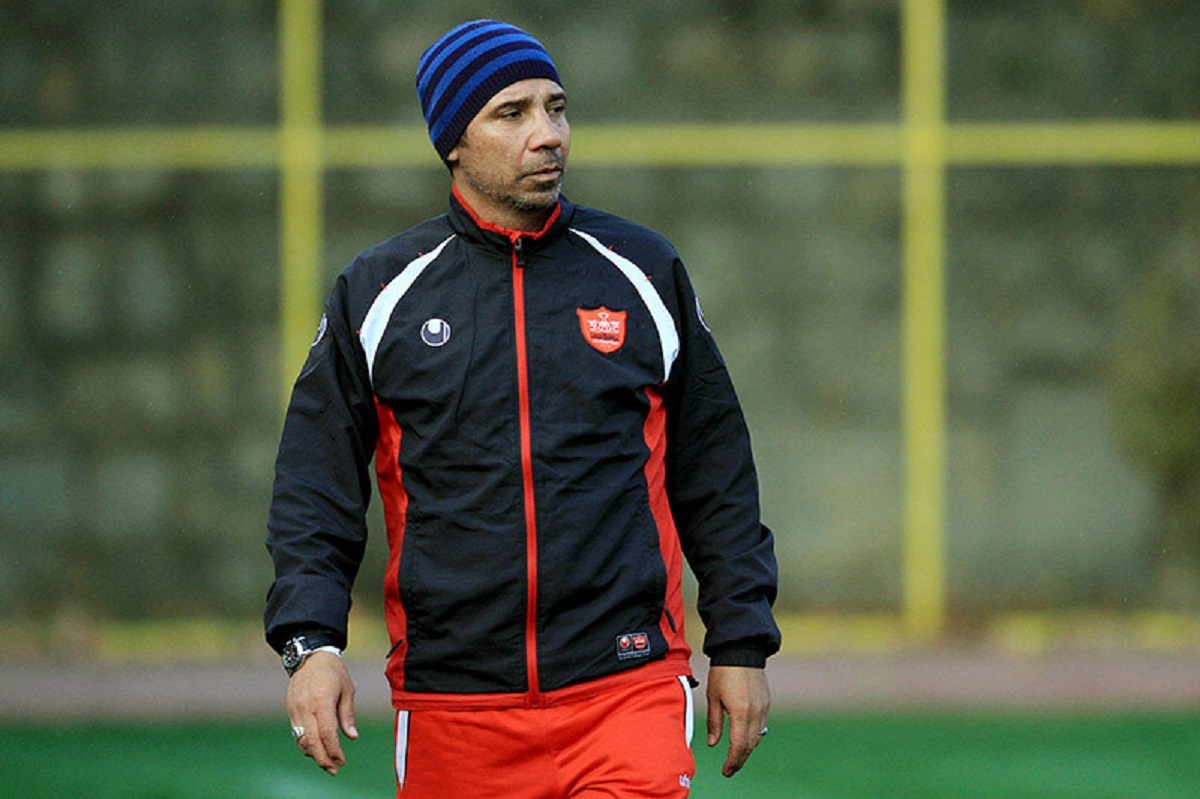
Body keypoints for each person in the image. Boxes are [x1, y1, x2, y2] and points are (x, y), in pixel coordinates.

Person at [265, 19, 781, 798]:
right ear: (453, 142)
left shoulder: (641, 269)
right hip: (453, 701)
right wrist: (311, 644)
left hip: (627, 685)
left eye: (556, 107)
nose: (548, 134)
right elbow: (314, 483)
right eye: (512, 113)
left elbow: (717, 469)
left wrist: (740, 642)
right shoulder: (378, 293)